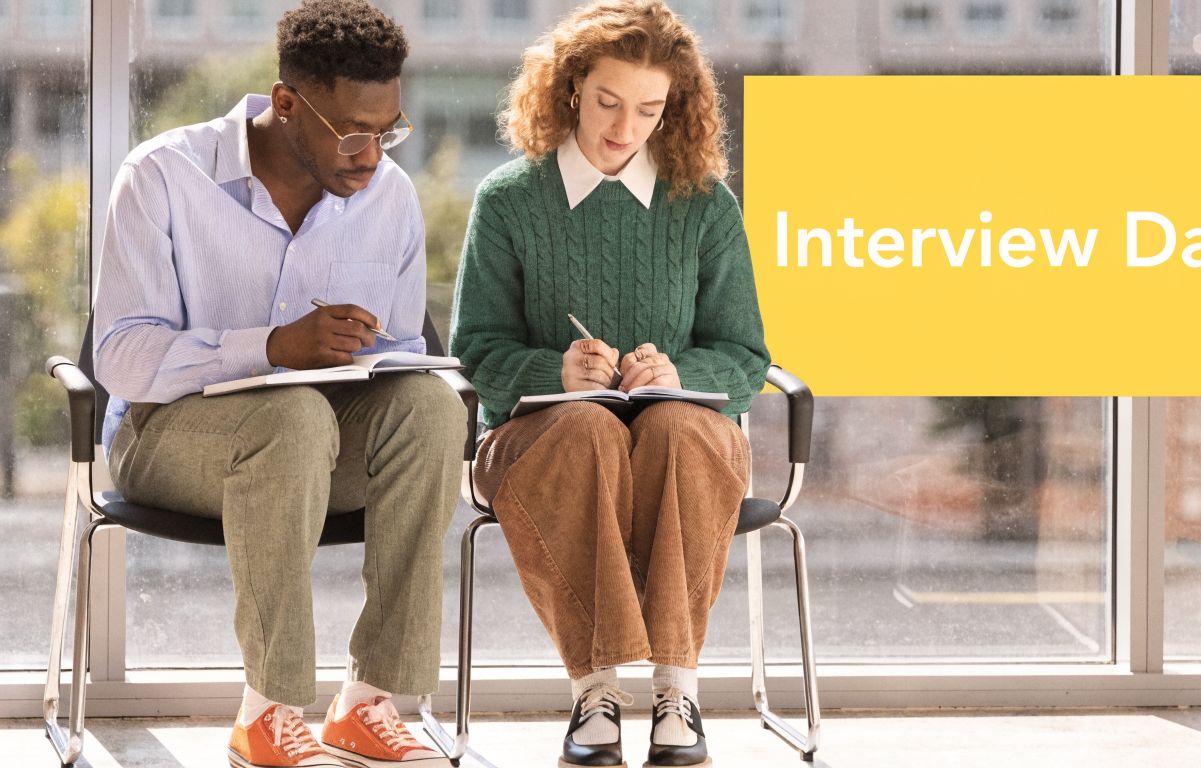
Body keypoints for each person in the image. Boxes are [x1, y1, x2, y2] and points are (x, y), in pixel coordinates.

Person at [93, 2, 463, 766]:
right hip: (167, 436)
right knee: (291, 416)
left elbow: (394, 349)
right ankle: (268, 710)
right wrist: (272, 348)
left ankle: (368, 702)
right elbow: (124, 358)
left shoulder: (388, 195)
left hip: (318, 442)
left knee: (429, 408)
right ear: (286, 104)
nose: (373, 154)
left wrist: (370, 359)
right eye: (354, 132)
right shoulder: (164, 176)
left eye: (389, 129)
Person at [449, 2, 769, 766]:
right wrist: (552, 369)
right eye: (608, 103)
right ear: (569, 91)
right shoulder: (508, 200)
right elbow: (474, 349)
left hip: (680, 438)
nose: (625, 127)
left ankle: (675, 691)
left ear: (674, 110)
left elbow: (746, 356)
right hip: (540, 440)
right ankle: (593, 689)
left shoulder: (705, 208)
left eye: (650, 109)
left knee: (678, 428)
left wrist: (678, 373)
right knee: (589, 429)